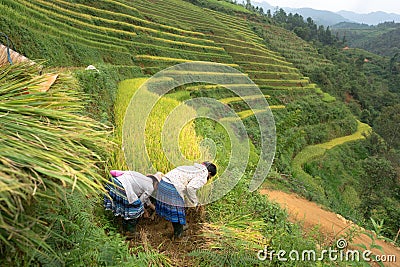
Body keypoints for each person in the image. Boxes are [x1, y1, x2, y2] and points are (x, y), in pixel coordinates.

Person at [155, 161, 217, 239]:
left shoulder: (194, 168)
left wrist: (191, 199)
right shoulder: (203, 175)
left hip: (163, 183)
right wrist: (195, 202)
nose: (209, 178)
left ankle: (180, 227)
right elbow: (190, 188)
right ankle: (179, 236)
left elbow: (187, 187)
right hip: (171, 187)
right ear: (209, 173)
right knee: (177, 212)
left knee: (176, 211)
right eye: (210, 177)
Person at [104, 170, 163, 237]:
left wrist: (154, 208)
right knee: (135, 207)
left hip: (114, 181)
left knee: (126, 206)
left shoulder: (146, 180)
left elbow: (146, 198)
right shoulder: (151, 187)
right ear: (157, 183)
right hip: (122, 185)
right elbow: (141, 201)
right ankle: (130, 232)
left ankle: (124, 228)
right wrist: (144, 211)